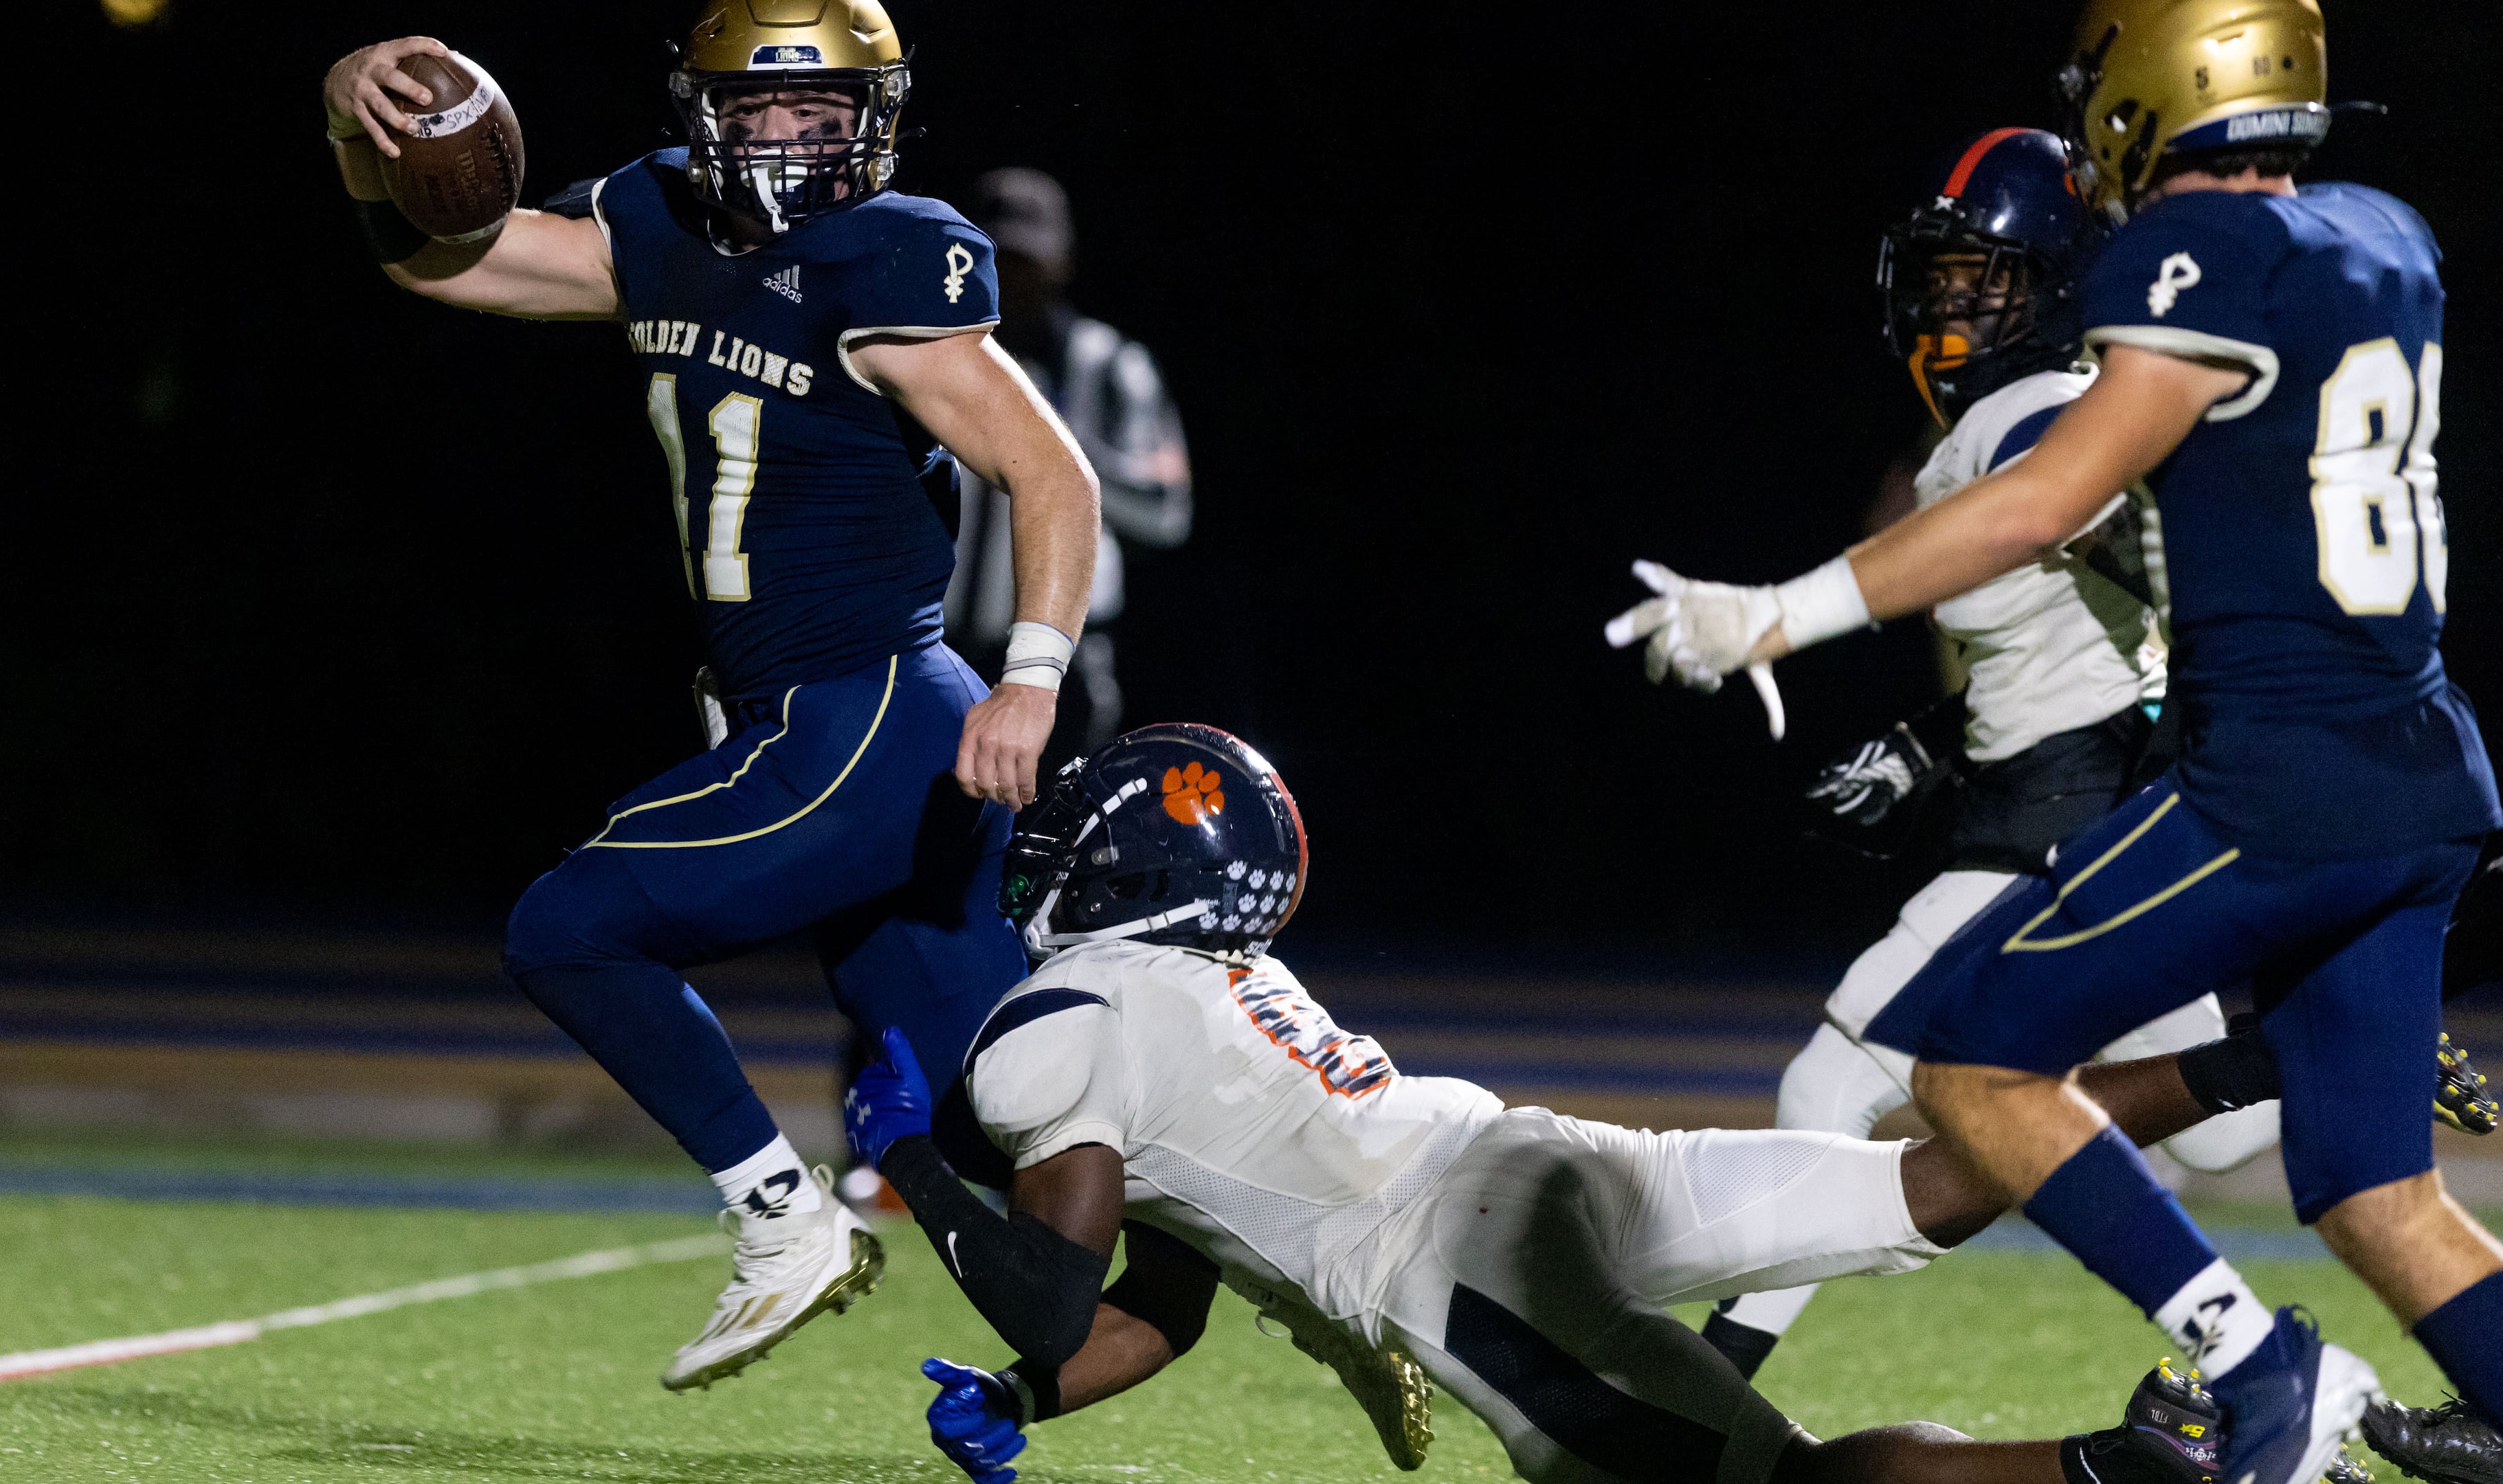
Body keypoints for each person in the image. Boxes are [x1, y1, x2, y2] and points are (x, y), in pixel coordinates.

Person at [1607, 1, 2503, 1479]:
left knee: (1970, 1066)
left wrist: (1774, 618)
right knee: (2370, 1189)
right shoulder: (2387, 234)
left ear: (2164, 89)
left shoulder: (2189, 256)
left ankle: (2259, 1367)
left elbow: (2047, 495)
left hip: (2276, 777)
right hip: (2425, 770)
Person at [839, 725, 2366, 1484]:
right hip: (1537, 1154)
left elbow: (1052, 1295)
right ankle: (2261, 1059)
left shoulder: (1065, 1017)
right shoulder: (1213, 993)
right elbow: (1159, 1303)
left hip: (1461, 1277)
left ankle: (2142, 1458)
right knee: (1927, 1181)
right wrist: (1036, 1402)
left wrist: (902, 1145)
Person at [318, 0, 1100, 1392]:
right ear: (705, 115)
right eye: (761, 109)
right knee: (1011, 1113)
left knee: (571, 931)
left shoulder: (892, 256)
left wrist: (1031, 679)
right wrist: (350, 126)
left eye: (824, 108)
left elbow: (1052, 477)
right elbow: (450, 267)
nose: (794, 136)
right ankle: (1326, 1255)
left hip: (863, 713)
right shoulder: (659, 224)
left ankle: (780, 1219)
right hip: (816, 720)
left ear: (879, 117)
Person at [1697, 126, 2284, 1382]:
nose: (1952, 302)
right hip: (2090, 809)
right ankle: (2325, 1034)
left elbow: (2095, 529)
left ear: (2058, 281)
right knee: (2227, 1139)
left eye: (1987, 278)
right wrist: (1929, 750)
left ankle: (1702, 1396)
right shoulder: (2026, 410)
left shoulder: (2033, 414)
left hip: (2056, 832)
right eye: (1945, 275)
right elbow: (2068, 642)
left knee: (1830, 1085)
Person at [942, 168, 1193, 763]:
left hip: (1068, 664)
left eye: (1029, 262)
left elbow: (1167, 515)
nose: (1014, 281)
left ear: (1063, 264)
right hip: (938, 649)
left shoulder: (1109, 365)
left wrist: (1051, 447)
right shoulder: (928, 357)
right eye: (1000, 259)